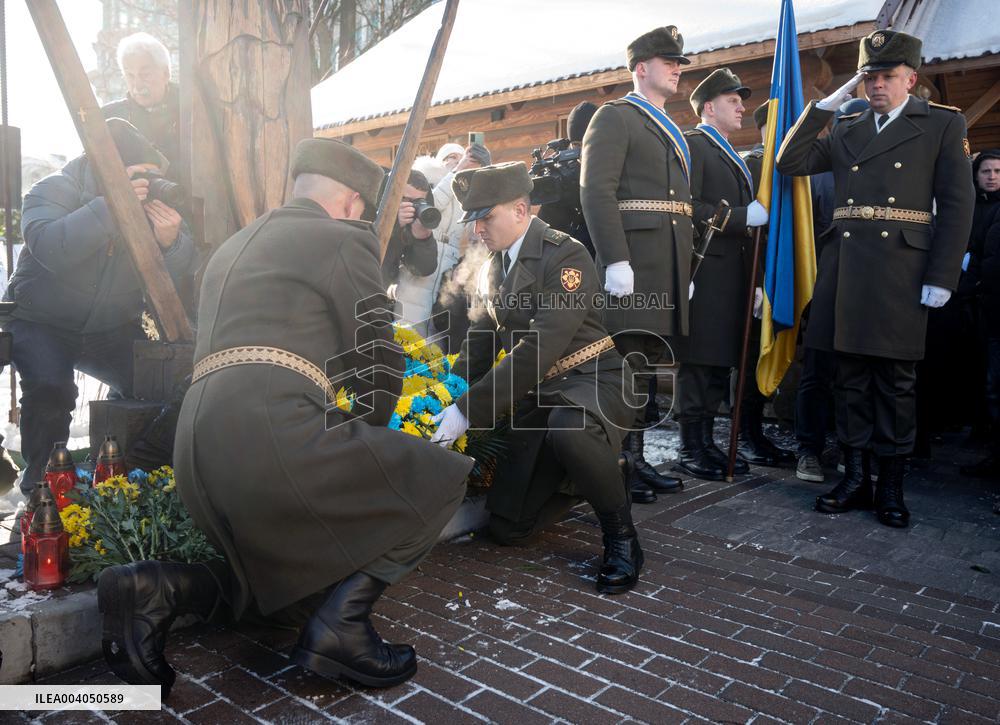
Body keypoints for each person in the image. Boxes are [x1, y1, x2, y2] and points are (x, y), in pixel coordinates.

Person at [97, 139, 472, 693]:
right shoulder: (345, 238)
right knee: (442, 478)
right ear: (350, 202)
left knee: (284, 595)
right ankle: (342, 630)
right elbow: (377, 357)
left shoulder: (232, 246)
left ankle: (161, 589)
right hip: (270, 433)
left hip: (198, 448)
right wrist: (372, 443)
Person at [777, 30, 975, 528]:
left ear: (911, 78)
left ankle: (890, 484)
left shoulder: (941, 126)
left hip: (903, 272)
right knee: (850, 382)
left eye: (887, 75)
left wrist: (943, 274)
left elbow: (957, 205)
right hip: (847, 273)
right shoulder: (846, 126)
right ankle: (855, 477)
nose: (877, 85)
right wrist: (825, 106)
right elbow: (790, 161)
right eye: (869, 76)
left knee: (894, 383)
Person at [431, 161, 643, 594]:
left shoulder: (564, 253)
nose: (478, 231)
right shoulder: (492, 265)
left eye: (486, 218)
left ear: (521, 210)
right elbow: (481, 337)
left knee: (572, 432)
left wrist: (467, 411)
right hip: (541, 392)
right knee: (510, 529)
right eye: (474, 220)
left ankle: (621, 537)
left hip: (591, 379)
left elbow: (540, 346)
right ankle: (598, 473)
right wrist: (446, 393)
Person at [6, 119, 195, 494]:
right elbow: (52, 248)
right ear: (107, 169)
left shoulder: (147, 202)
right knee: (50, 390)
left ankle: (126, 473)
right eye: (141, 175)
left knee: (156, 381)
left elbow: (177, 274)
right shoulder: (53, 189)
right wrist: (112, 206)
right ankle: (43, 489)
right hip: (41, 320)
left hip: (108, 325)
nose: (150, 185)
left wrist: (170, 243)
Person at [581, 25, 692, 503]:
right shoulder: (616, 117)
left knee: (646, 368)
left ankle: (638, 460)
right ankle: (619, 466)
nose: (677, 70)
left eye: (679, 63)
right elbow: (596, 191)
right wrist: (616, 260)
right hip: (634, 265)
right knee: (626, 366)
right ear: (641, 68)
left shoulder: (669, 125)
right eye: (669, 62)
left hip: (665, 265)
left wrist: (681, 271)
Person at [674, 68, 766, 480]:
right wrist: (740, 217)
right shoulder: (695, 145)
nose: (742, 107)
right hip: (704, 269)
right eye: (733, 100)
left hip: (731, 275)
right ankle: (690, 447)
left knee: (716, 365)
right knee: (698, 363)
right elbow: (685, 204)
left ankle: (707, 443)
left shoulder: (726, 150)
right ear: (709, 108)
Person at [789, 98, 870, 483]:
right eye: (847, 122)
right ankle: (808, 449)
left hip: (864, 288)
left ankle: (846, 445)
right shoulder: (819, 173)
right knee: (816, 372)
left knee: (854, 373)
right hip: (821, 284)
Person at [962, 149, 1000, 478]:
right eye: (986, 170)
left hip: (993, 301)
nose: (992, 176)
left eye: (998, 171)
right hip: (973, 302)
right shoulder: (971, 207)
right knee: (982, 376)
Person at [102, 33, 179, 176]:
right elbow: (91, 177)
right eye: (130, 76)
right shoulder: (108, 119)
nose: (137, 85)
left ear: (166, 74)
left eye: (145, 74)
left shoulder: (192, 111)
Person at [383, 169, 441, 332]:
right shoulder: (372, 211)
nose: (415, 206)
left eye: (420, 201)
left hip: (386, 306)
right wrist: (393, 224)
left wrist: (423, 239)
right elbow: (371, 260)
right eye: (406, 200)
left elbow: (424, 269)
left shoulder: (417, 221)